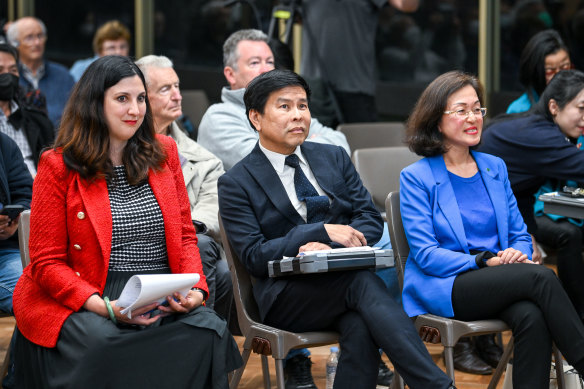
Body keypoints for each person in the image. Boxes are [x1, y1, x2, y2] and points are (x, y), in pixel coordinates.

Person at [11, 55, 242, 388]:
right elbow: (46, 264)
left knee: (209, 331)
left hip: (157, 289)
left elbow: (185, 236)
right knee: (103, 342)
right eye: (122, 99)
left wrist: (196, 290)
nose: (135, 110)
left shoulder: (164, 152)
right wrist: (104, 306)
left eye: (141, 98)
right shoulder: (58, 165)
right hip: (90, 290)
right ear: (94, 104)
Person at [218, 69, 455, 389]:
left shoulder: (333, 157)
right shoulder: (237, 182)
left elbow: (369, 217)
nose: (298, 115)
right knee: (362, 284)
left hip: (341, 280)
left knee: (359, 322)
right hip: (286, 296)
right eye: (285, 107)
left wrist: (333, 249)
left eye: (303, 106)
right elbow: (253, 256)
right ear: (256, 118)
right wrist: (317, 233)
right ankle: (437, 386)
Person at [400, 70, 584, 388]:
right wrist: (484, 260)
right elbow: (427, 255)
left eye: (477, 109)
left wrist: (517, 252)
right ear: (435, 119)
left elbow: (519, 232)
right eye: (462, 110)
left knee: (532, 316)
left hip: (499, 277)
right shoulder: (416, 177)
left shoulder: (493, 166)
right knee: (542, 277)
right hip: (448, 284)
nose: (473, 118)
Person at [480, 69, 584, 322]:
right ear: (554, 106)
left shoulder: (543, 128)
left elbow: (521, 188)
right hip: (476, 216)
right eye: (581, 108)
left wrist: (528, 234)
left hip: (500, 211)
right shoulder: (541, 135)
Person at [135, 54, 233, 322]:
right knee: (218, 270)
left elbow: (213, 209)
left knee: (203, 248)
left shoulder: (203, 158)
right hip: (137, 246)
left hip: (187, 248)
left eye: (177, 86)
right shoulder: (118, 151)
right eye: (166, 89)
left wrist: (180, 232)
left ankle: (199, 337)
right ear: (140, 97)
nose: (178, 96)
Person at [197, 29, 349, 171]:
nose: (266, 70)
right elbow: (264, 165)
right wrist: (314, 145)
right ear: (230, 74)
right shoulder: (219, 117)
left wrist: (294, 148)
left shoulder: (286, 107)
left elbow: (341, 144)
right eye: (255, 63)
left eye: (270, 62)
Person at [300, 0, 419, 124]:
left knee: (361, 140)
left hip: (354, 88)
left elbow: (408, 5)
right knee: (312, 141)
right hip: (313, 85)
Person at [6, 17, 74, 127]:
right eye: (29, 37)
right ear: (15, 44)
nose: (37, 42)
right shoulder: (9, 77)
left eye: (40, 36)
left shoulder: (63, 76)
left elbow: (78, 114)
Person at [0, 43, 54, 178]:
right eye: (0, 70)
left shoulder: (34, 119)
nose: (7, 76)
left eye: (13, 70)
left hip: (37, 190)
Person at [506, 29, 571, 114]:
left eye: (564, 67)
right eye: (550, 71)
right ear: (535, 72)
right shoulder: (519, 110)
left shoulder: (578, 104)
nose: (559, 75)